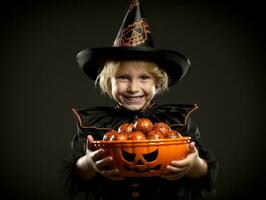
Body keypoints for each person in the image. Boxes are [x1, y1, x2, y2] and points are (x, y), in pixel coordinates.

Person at [61, 0, 218, 199]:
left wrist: (194, 164)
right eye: (123, 77)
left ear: (158, 82)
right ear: (109, 83)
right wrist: (90, 164)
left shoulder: (178, 120)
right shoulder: (93, 123)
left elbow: (203, 171)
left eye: (144, 77)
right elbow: (77, 173)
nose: (134, 88)